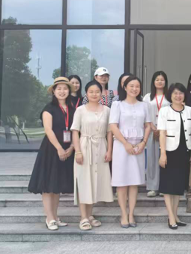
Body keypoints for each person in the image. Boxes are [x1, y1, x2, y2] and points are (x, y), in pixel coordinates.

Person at [28, 77, 75, 231]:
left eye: (65, 88)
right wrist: (59, 148)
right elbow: (48, 130)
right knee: (48, 185)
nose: (62, 91)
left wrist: (72, 147)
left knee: (57, 185)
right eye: (59, 88)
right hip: (51, 149)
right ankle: (49, 218)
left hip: (68, 149)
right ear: (54, 91)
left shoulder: (72, 108)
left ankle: (55, 217)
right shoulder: (49, 108)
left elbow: (76, 130)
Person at [109, 75, 153, 228]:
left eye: (137, 86)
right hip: (121, 146)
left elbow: (148, 125)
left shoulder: (144, 105)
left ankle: (131, 213)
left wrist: (143, 142)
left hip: (138, 146)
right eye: (131, 86)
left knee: (134, 182)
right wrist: (125, 143)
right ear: (125, 87)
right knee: (121, 182)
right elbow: (113, 126)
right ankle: (123, 214)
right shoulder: (117, 105)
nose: (134, 89)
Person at [71, 80, 114, 231]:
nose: (94, 94)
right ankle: (83, 217)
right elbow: (75, 132)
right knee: (84, 181)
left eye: (97, 91)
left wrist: (109, 151)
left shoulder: (107, 110)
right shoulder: (80, 110)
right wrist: (78, 151)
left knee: (95, 182)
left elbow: (109, 132)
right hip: (85, 146)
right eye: (91, 92)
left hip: (101, 147)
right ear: (86, 94)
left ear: (101, 93)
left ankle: (90, 215)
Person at [158, 83, 191, 230]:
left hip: (184, 151)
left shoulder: (190, 110)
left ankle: (175, 215)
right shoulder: (164, 111)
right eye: (175, 93)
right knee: (168, 186)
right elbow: (162, 133)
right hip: (169, 152)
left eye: (181, 93)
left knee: (179, 185)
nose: (178, 96)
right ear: (170, 95)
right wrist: (162, 154)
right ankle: (171, 217)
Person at [143, 71, 170, 198]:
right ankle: (152, 187)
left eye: (162, 79)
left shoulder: (169, 96)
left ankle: (164, 186)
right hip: (151, 131)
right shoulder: (147, 97)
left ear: (165, 82)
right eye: (157, 79)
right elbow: (144, 115)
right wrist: (154, 128)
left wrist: (163, 129)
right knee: (152, 159)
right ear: (153, 82)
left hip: (167, 132)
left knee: (166, 159)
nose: (160, 82)